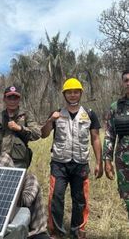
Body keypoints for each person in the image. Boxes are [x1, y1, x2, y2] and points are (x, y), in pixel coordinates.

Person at [41, 78, 103, 239]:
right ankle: (56, 231)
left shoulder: (89, 114)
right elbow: (44, 133)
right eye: (69, 92)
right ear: (64, 94)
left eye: (76, 92)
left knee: (80, 199)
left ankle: (78, 230)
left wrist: (99, 162)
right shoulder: (57, 113)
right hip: (59, 164)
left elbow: (95, 138)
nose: (73, 95)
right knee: (56, 197)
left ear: (80, 93)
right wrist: (50, 120)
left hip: (81, 164)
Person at [0, 153, 49, 239]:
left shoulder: (30, 178)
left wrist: (12, 188)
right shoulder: (0, 186)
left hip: (34, 232)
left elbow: (27, 200)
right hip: (16, 231)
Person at [0, 85, 41, 168]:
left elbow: (37, 134)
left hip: (18, 163)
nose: (12, 101)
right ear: (4, 99)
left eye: (15, 98)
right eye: (9, 98)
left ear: (19, 99)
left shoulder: (26, 115)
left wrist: (20, 128)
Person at [103, 69, 129, 219]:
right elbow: (109, 134)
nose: (128, 83)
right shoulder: (116, 107)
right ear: (122, 83)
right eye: (126, 80)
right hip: (123, 162)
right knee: (127, 200)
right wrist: (107, 160)